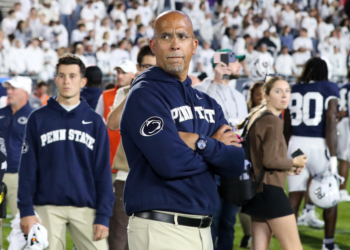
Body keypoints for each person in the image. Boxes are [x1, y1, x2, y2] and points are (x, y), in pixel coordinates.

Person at [120, 10, 245, 250]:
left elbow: (235, 162)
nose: (175, 44)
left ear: (194, 45)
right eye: (166, 36)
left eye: (182, 36)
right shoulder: (144, 95)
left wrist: (200, 142)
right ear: (153, 45)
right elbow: (170, 163)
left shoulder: (207, 102)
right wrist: (214, 148)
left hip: (202, 230)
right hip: (161, 227)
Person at [18, 54, 114, 250]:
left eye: (72, 76)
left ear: (83, 81)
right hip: (47, 206)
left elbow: (102, 171)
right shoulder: (38, 118)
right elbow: (28, 168)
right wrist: (26, 210)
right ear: (56, 80)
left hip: (86, 207)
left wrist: (104, 215)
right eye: (62, 76)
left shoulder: (95, 122)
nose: (67, 81)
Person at [239, 75, 306, 250]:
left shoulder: (255, 115)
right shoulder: (273, 121)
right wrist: (294, 162)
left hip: (256, 190)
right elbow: (269, 160)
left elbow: (262, 159)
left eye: (287, 90)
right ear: (266, 95)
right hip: (270, 192)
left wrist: (288, 168)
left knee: (259, 248)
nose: (284, 95)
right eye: (278, 91)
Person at [284, 58, 340, 250]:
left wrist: (285, 150)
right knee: (330, 194)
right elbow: (331, 121)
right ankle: (329, 244)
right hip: (318, 145)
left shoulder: (294, 89)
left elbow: (287, 125)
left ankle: (290, 244)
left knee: (294, 198)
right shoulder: (329, 87)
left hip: (296, 144)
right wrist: (333, 157)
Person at [194, 50, 248, 250]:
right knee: (211, 219)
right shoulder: (202, 89)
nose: (240, 67)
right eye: (236, 63)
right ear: (221, 66)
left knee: (228, 220)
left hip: (232, 163)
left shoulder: (239, 96)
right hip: (210, 162)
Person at [106, 45, 156, 250]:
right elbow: (112, 123)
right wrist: (134, 92)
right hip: (127, 175)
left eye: (156, 66)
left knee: (148, 241)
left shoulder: (171, 94)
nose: (151, 71)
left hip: (157, 177)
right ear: (138, 68)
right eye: (146, 66)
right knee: (119, 238)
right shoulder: (125, 92)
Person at [95, 59, 137, 181]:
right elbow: (97, 124)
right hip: (109, 158)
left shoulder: (142, 94)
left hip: (129, 160)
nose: (119, 76)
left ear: (133, 75)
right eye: (118, 72)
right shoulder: (105, 95)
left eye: (124, 72)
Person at [0, 76, 33, 218]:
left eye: (13, 89)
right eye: (8, 88)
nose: (9, 92)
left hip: (20, 176)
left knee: (22, 222)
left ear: (25, 92)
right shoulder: (1, 113)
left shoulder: (34, 116)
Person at [336, 69, 350, 202]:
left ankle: (340, 188)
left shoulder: (342, 87)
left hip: (341, 123)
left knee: (344, 158)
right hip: (347, 122)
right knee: (344, 158)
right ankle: (341, 190)